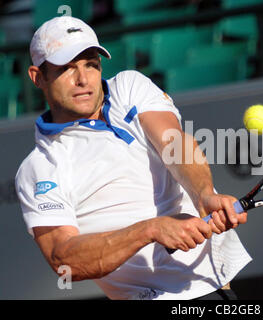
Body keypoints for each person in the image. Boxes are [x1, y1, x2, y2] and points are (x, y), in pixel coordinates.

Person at [15, 16, 251, 300]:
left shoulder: (129, 86)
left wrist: (203, 195)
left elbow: (173, 143)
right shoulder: (39, 168)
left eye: (91, 64)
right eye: (66, 69)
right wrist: (149, 230)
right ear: (37, 77)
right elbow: (64, 260)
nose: (83, 80)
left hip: (215, 285)